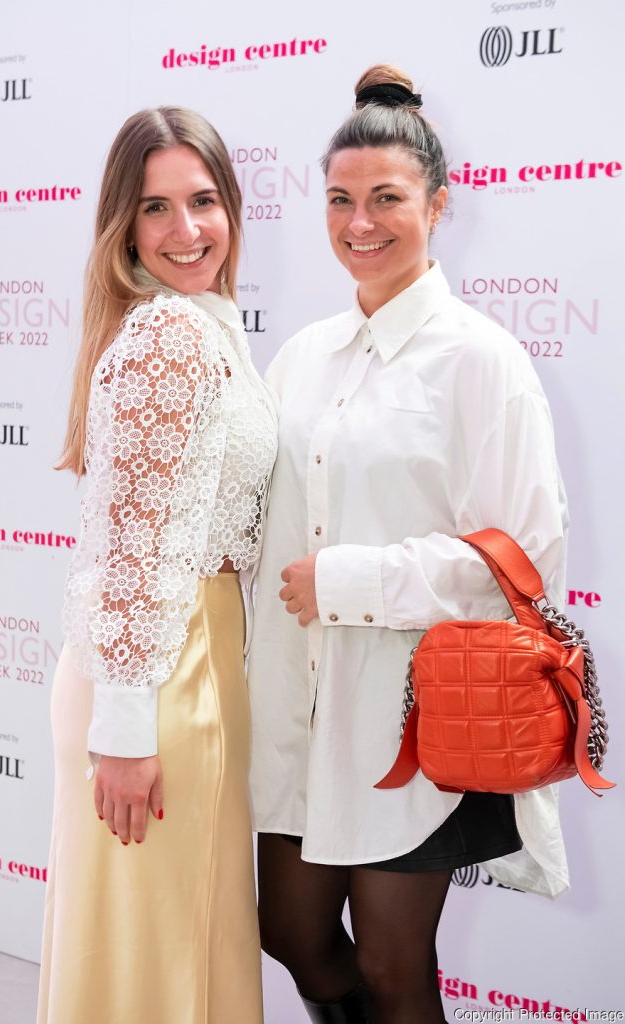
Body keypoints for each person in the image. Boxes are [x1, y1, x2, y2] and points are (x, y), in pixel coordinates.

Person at [247, 64, 569, 1024]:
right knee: (291, 933)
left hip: (415, 722)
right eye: (340, 200)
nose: (360, 223)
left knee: (395, 967)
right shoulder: (301, 357)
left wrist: (350, 581)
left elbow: (523, 558)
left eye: (386, 198)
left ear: (438, 203)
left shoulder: (481, 360)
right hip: (302, 716)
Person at [37, 107, 277, 1024]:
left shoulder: (202, 327)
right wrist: (128, 729)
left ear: (232, 208)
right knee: (157, 957)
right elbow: (131, 546)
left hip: (181, 663)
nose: (187, 230)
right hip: (161, 678)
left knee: (173, 944)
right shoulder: (171, 336)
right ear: (125, 227)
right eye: (156, 208)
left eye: (204, 201)